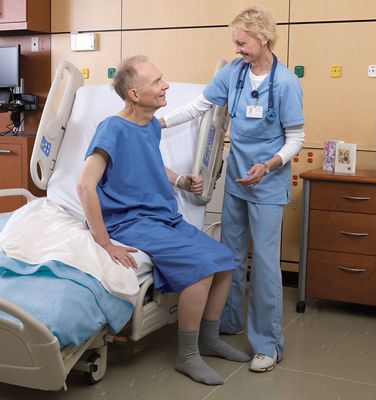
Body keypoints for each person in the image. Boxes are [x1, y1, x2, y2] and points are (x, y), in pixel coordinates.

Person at [77, 55, 250, 386]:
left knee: (225, 260)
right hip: (131, 223)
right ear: (134, 95)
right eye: (157, 81)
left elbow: (153, 165)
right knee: (201, 268)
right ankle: (187, 356)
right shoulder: (113, 128)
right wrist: (105, 242)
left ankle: (210, 339)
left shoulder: (151, 125)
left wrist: (181, 181)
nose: (166, 85)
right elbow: (85, 185)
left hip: (163, 217)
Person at [159, 6, 304, 373]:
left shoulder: (285, 83)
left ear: (263, 38)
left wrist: (270, 164)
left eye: (242, 42)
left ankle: (267, 344)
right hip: (237, 179)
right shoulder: (233, 74)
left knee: (267, 265)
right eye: (235, 43)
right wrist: (158, 122)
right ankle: (227, 323)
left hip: (267, 182)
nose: (237, 49)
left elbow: (296, 138)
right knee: (231, 254)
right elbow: (200, 106)